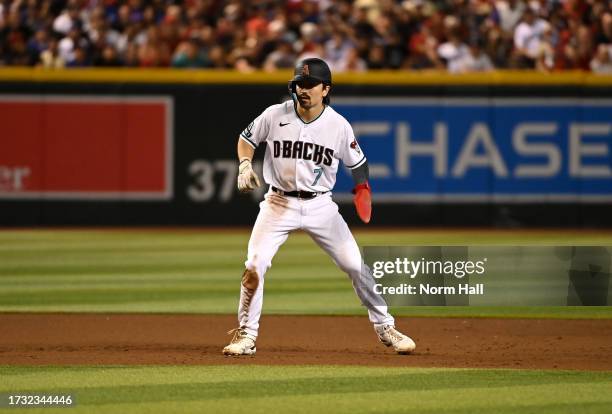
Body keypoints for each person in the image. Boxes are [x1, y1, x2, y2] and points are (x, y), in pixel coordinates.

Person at [222, 57, 416, 356]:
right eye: (300, 83)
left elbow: (358, 162)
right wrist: (245, 163)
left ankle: (385, 327)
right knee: (254, 266)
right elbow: (246, 139)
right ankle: (246, 335)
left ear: (325, 89)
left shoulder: (338, 125)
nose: (304, 89)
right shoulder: (275, 115)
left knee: (355, 265)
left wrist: (362, 187)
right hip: (278, 202)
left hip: (320, 206)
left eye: (311, 85)